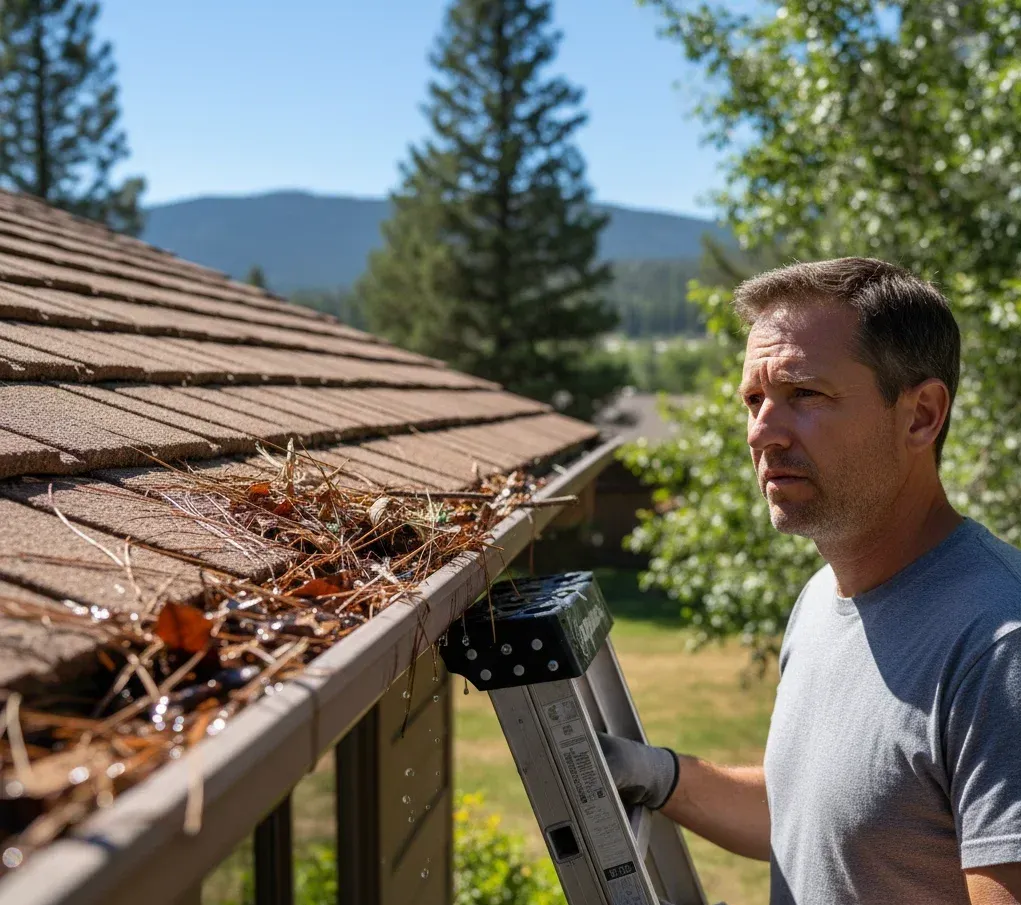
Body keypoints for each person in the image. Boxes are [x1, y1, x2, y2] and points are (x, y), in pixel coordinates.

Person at [599, 258, 1021, 905]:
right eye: (753, 399)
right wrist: (661, 775)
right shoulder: (822, 597)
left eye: (803, 395)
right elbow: (819, 811)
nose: (761, 432)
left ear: (920, 415)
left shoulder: (998, 647)